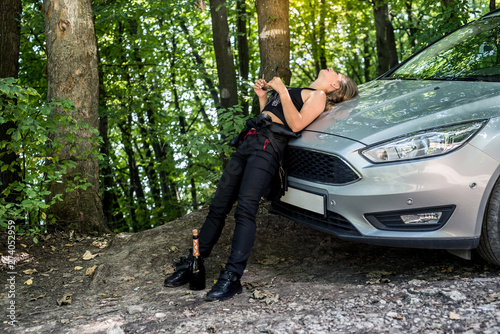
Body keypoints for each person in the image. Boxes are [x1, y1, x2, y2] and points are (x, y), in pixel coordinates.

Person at [164, 69, 359, 301]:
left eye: (336, 73)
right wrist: (262, 97)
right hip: (250, 141)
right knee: (218, 206)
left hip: (268, 149)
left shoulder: (317, 96)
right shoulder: (301, 91)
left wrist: (283, 90)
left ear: (335, 86)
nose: (331, 69)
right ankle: (192, 264)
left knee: (246, 210)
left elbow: (295, 126)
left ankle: (231, 278)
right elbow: (272, 116)